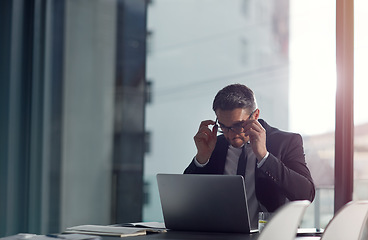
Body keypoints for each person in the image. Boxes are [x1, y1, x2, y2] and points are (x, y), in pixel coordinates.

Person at [184, 83, 315, 229]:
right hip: (221, 234)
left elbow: (306, 194)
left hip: (271, 235)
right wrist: (201, 158)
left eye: (238, 125)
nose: (231, 135)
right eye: (224, 127)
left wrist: (264, 157)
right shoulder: (214, 145)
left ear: (256, 115)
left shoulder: (285, 142)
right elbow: (186, 199)